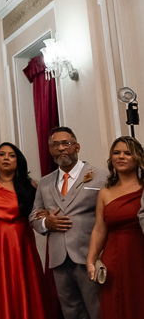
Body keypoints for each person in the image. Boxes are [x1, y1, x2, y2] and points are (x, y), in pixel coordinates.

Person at [0, 143, 54, 319]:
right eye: (1, 154)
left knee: (25, 286)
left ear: (18, 161)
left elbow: (40, 212)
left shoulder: (30, 185)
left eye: (11, 155)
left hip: (22, 245)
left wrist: (45, 214)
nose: (6, 158)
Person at [31, 126, 107, 319]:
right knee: (71, 311)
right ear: (50, 150)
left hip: (90, 256)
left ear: (77, 147)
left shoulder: (100, 176)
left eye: (66, 143)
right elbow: (34, 216)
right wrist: (46, 223)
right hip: (59, 259)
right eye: (55, 145)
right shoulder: (45, 183)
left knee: (98, 309)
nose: (61, 148)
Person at [85, 136, 144, 318]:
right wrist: (91, 260)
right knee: (115, 304)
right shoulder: (105, 192)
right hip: (114, 257)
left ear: (138, 158)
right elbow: (99, 228)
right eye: (116, 153)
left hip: (140, 252)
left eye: (127, 153)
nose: (121, 157)